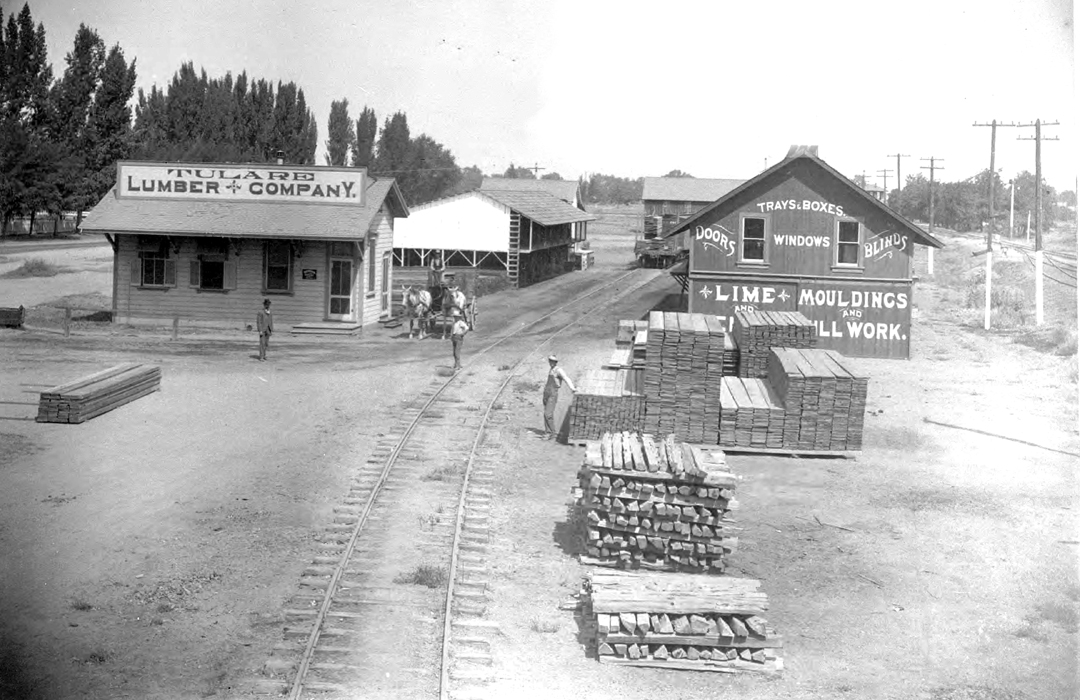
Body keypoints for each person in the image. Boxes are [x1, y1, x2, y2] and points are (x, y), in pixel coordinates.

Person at [543, 355, 576, 440]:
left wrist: (572, 388)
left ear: (556, 362)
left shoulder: (559, 370)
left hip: (553, 394)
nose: (551, 363)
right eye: (550, 361)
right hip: (546, 393)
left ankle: (552, 432)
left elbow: (566, 378)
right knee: (546, 414)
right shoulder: (551, 370)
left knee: (547, 414)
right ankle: (547, 432)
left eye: (553, 361)